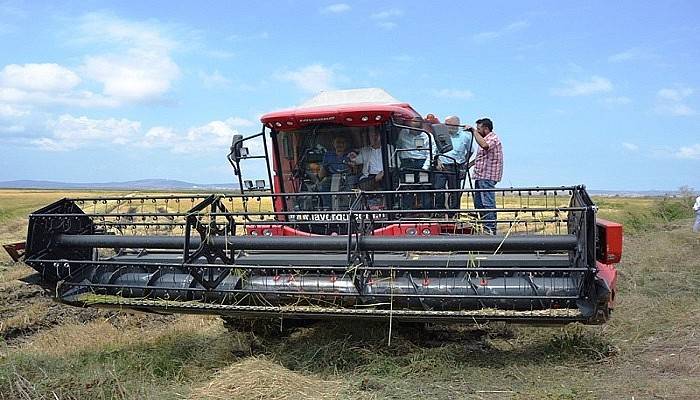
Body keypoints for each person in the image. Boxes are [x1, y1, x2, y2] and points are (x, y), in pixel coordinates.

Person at [465, 118, 503, 234]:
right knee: (479, 203)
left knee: (487, 203)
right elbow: (481, 156)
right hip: (480, 175)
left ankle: (490, 229)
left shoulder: (492, 138)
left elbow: (485, 146)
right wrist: (469, 164)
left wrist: (473, 131)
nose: (477, 130)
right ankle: (484, 227)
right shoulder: (485, 138)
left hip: (487, 175)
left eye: (479, 128)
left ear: (486, 129)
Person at [434, 115, 472, 210]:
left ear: (457, 125)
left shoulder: (465, 136)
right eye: (446, 124)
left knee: (455, 191)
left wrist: (464, 163)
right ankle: (440, 210)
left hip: (455, 166)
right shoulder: (440, 135)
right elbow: (434, 150)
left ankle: (454, 212)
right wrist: (437, 161)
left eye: (450, 124)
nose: (447, 127)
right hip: (441, 165)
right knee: (439, 188)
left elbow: (470, 151)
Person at [395, 117, 433, 210]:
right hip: (408, 164)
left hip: (422, 163)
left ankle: (426, 211)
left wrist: (425, 168)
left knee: (424, 186)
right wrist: (400, 162)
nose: (414, 132)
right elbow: (398, 146)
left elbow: (431, 152)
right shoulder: (403, 133)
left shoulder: (427, 136)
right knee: (408, 186)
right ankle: (407, 211)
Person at [318, 136, 355, 209]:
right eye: (338, 142)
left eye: (342, 143)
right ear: (333, 144)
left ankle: (349, 208)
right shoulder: (328, 154)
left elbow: (356, 170)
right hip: (332, 177)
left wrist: (352, 165)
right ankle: (328, 208)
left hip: (348, 176)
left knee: (352, 185)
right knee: (323, 185)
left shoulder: (351, 154)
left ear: (346, 144)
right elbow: (322, 171)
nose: (340, 145)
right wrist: (319, 179)